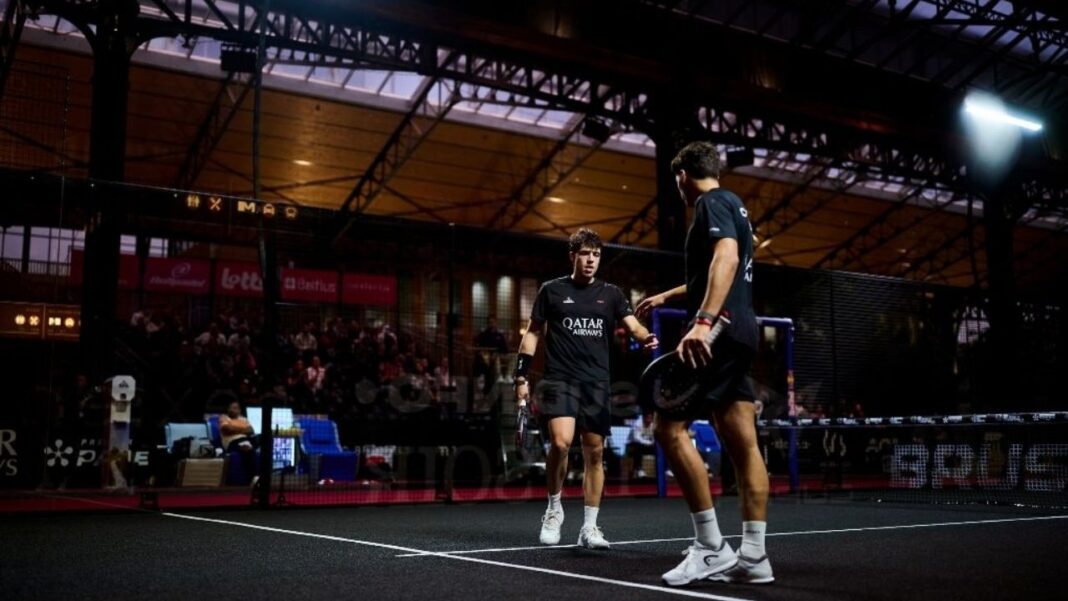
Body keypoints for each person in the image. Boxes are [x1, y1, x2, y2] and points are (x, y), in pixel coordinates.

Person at [636, 141, 773, 585]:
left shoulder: (711, 203)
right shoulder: (735, 205)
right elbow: (717, 267)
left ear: (683, 176)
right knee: (743, 442)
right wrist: (673, 295)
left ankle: (711, 546)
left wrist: (702, 320)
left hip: (715, 331)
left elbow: (727, 258)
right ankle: (754, 555)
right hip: (742, 330)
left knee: (667, 428)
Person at [515, 227, 658, 549]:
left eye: (596, 255)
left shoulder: (611, 294)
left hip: (596, 383)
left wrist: (645, 337)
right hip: (559, 379)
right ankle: (554, 510)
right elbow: (533, 333)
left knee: (595, 452)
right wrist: (521, 377)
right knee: (562, 443)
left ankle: (590, 528)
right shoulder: (551, 291)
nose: (591, 260)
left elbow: (632, 325)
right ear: (573, 256)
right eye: (585, 254)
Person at [218, 400, 260, 484]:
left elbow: (251, 430)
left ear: (239, 410)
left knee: (260, 438)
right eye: (231, 408)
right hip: (232, 442)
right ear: (228, 409)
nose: (233, 410)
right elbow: (227, 429)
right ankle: (254, 478)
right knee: (249, 451)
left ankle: (254, 478)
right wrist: (243, 430)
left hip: (247, 440)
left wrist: (235, 429)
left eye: (235, 408)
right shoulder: (224, 418)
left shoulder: (243, 419)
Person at [626, 412, 656, 479]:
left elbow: (655, 437)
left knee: (659, 448)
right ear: (644, 418)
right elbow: (636, 438)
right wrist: (649, 443)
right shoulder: (637, 424)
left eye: (651, 418)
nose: (649, 420)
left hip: (647, 444)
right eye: (648, 418)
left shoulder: (653, 425)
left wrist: (652, 442)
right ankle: (639, 469)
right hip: (632, 445)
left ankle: (665, 469)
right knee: (638, 446)